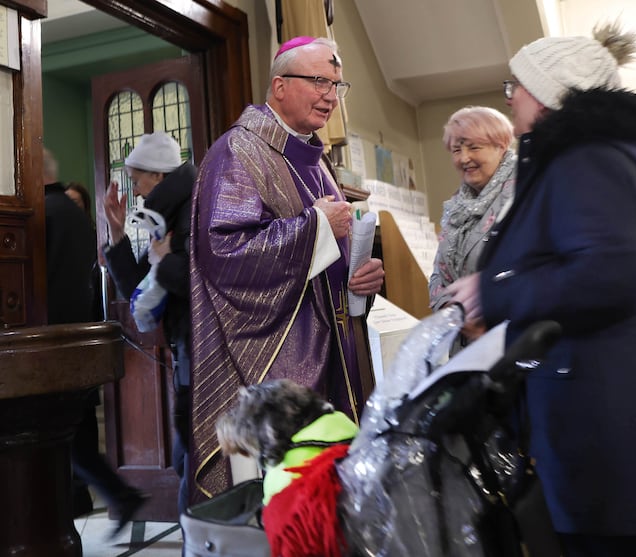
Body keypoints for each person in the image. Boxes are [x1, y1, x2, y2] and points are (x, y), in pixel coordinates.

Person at [443, 21, 636, 557]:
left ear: (549, 94)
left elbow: (608, 272)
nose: (510, 100)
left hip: (604, 407)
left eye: (516, 87)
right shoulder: (574, 158)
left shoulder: (589, 160)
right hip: (589, 398)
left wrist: (492, 291)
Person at [190, 35, 385, 502]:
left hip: (334, 340)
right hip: (278, 351)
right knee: (283, 490)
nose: (331, 96)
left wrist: (362, 282)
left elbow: (335, 256)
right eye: (319, 81)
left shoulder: (314, 160)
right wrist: (315, 226)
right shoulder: (241, 151)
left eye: (338, 85)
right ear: (279, 86)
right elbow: (225, 252)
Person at [43, 148, 146, 537]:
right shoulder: (78, 219)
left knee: (65, 439)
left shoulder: (42, 214)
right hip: (79, 338)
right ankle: (115, 496)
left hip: (52, 342)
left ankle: (92, 506)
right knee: (79, 435)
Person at [102, 131, 196, 516]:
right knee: (184, 454)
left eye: (138, 180)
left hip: (201, 346)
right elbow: (137, 286)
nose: (137, 193)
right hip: (184, 347)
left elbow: (201, 280)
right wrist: (117, 232)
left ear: (158, 176)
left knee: (191, 454)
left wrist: (164, 259)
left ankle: (200, 538)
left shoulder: (194, 205)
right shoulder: (166, 214)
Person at [429, 106, 515, 345]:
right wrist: (450, 310)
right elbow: (438, 274)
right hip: (464, 343)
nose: (464, 158)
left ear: (501, 145)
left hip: (509, 344)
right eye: (456, 150)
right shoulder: (455, 206)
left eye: (474, 147)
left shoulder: (524, 194)